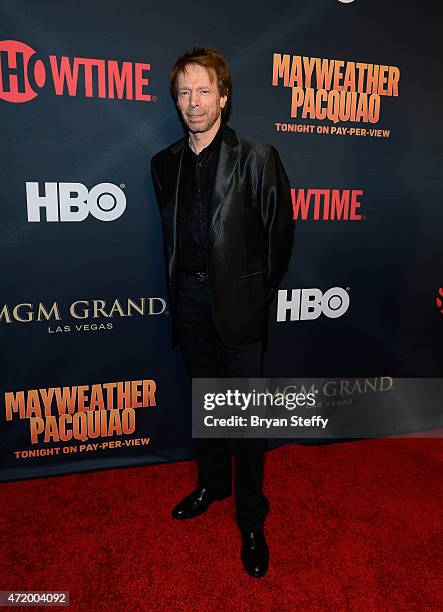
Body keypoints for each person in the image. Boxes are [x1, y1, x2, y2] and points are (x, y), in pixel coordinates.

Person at [151, 46, 293, 578]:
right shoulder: (163, 164)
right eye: (184, 92)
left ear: (224, 97)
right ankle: (212, 483)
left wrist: (252, 294)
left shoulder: (257, 157)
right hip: (188, 300)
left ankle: (252, 518)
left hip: (239, 305)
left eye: (203, 90)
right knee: (205, 404)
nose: (193, 102)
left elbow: (279, 237)